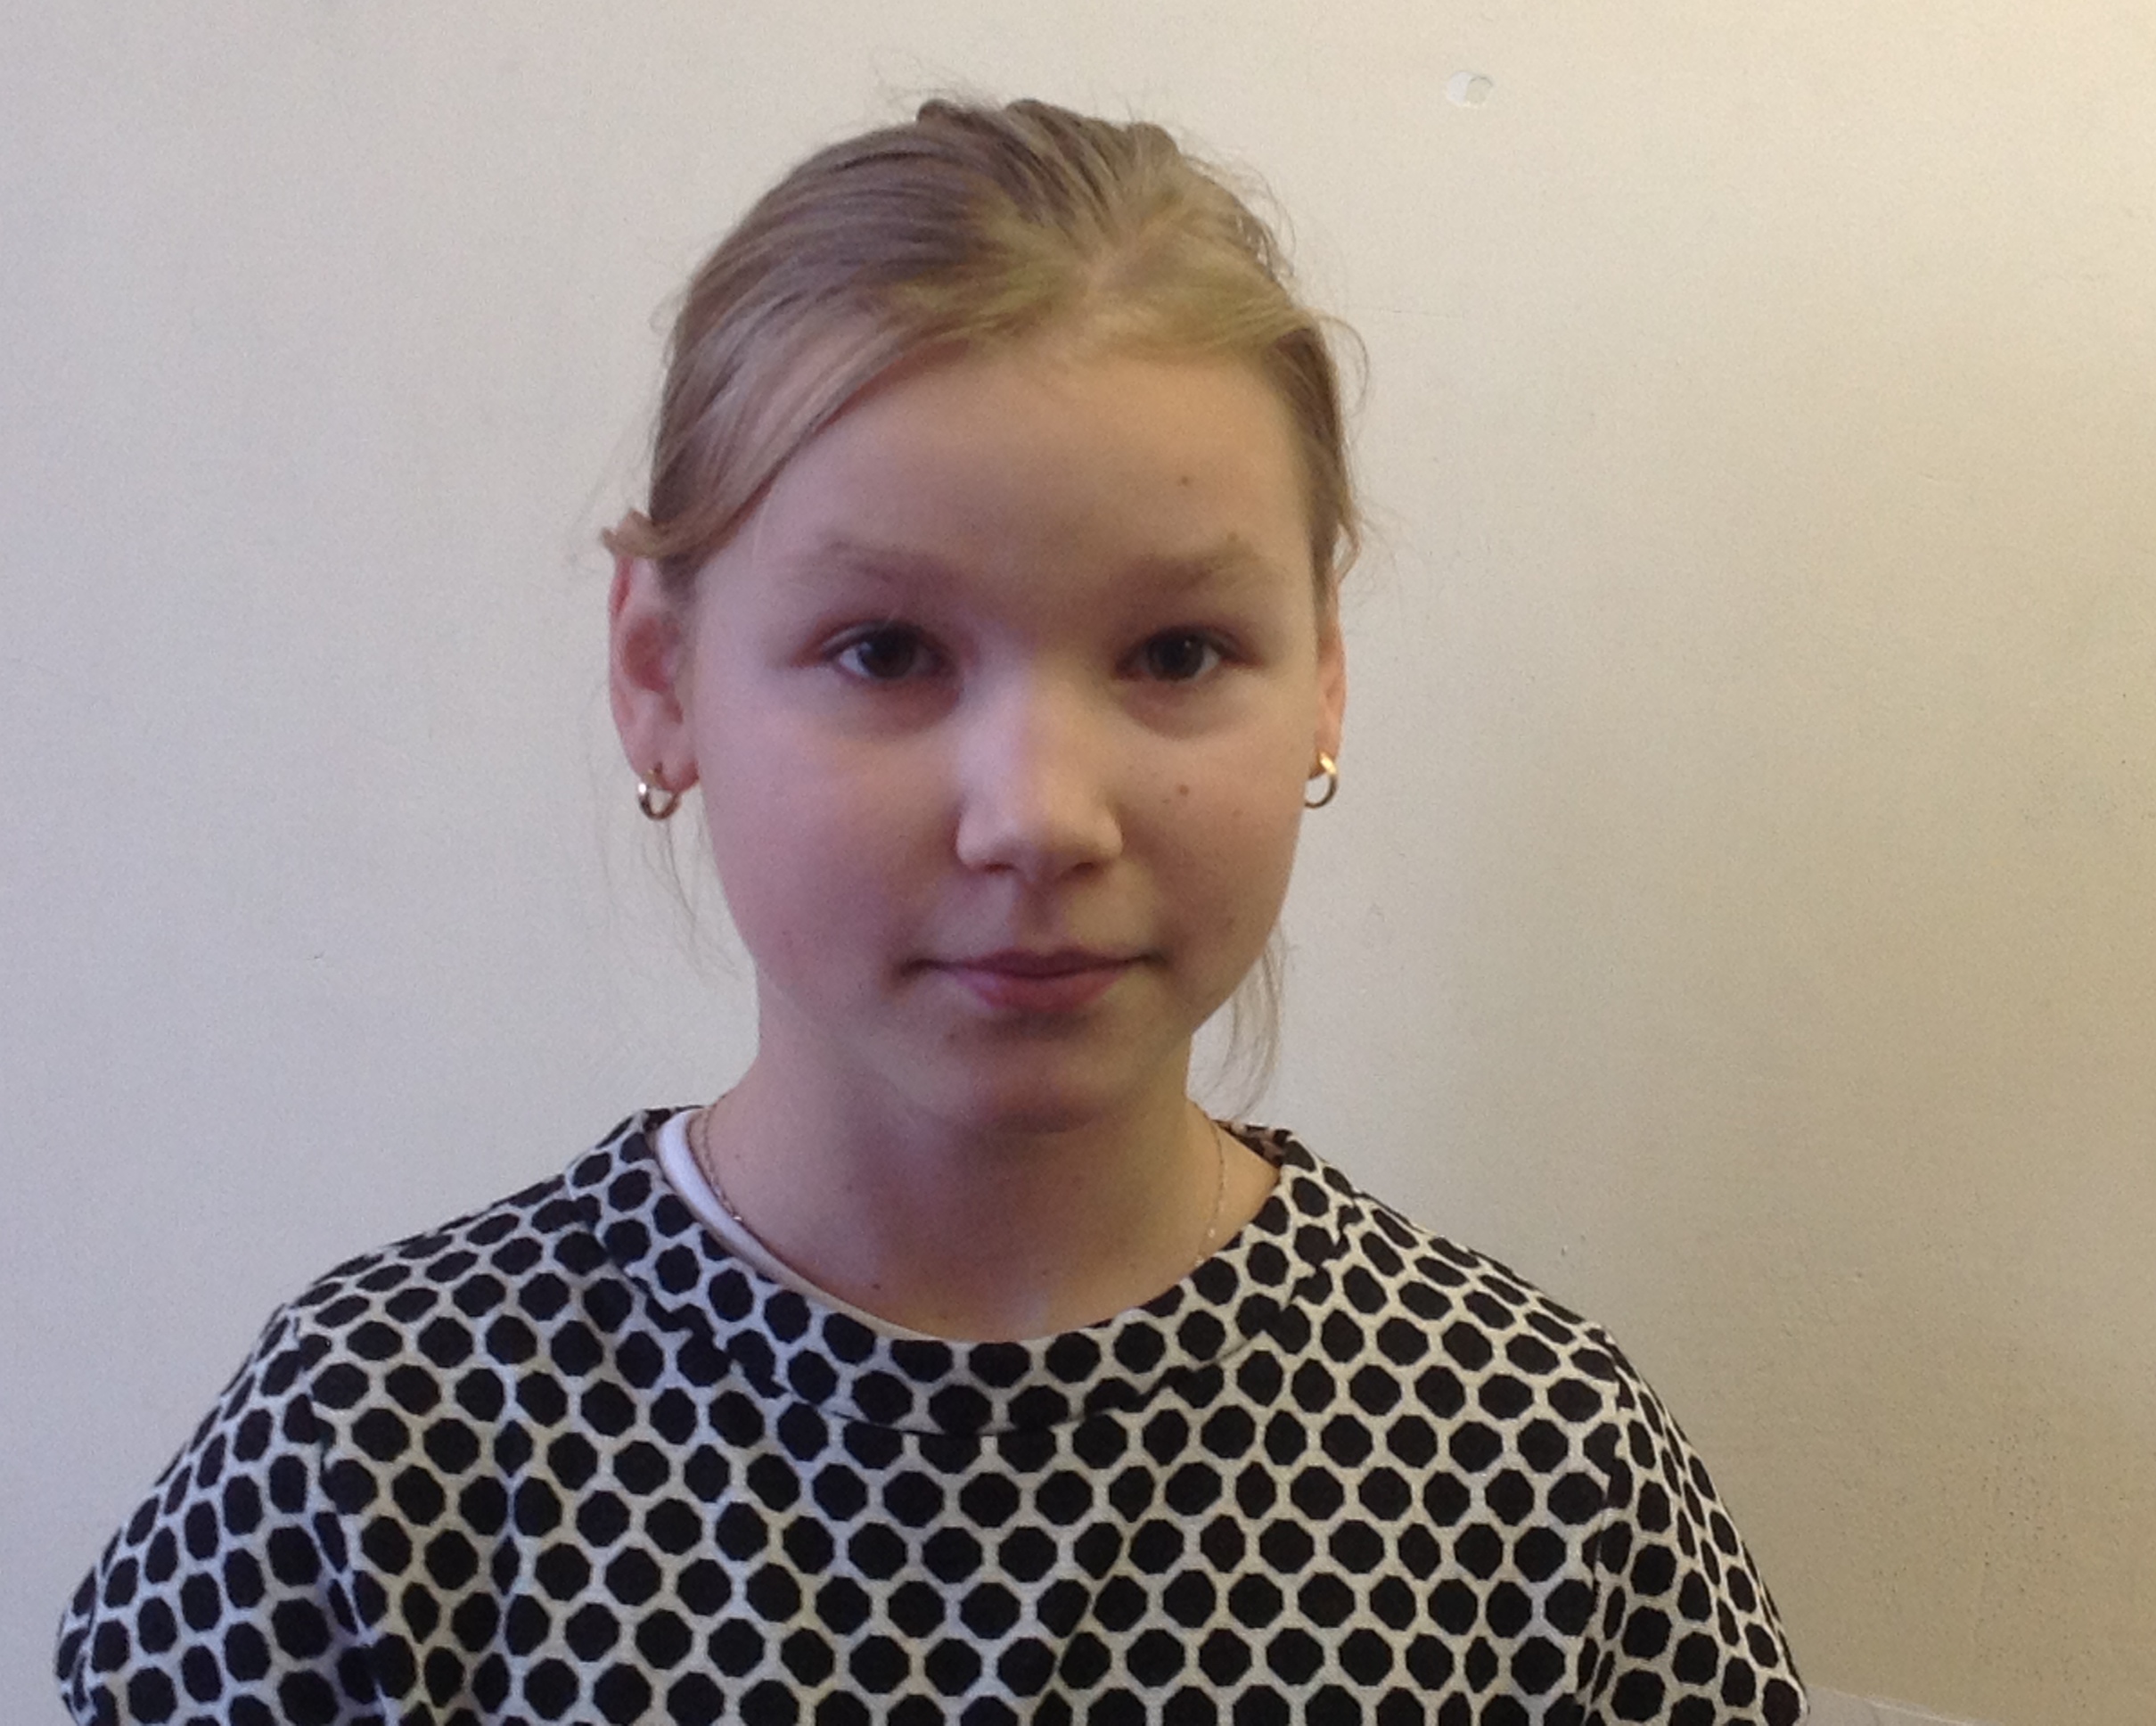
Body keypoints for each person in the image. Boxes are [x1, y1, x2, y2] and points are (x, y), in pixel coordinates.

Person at [57, 99, 1805, 1726]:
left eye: (1178, 651)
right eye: (886, 650)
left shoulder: (1535, 1466)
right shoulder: (376, 1454)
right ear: (660, 674)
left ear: (1325, 683)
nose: (1039, 813)